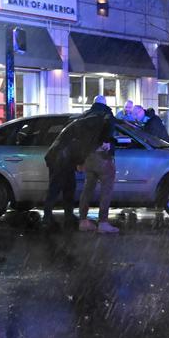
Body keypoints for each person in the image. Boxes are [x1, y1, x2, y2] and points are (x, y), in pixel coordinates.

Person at [43, 95, 115, 229]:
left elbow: (78, 143)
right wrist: (81, 161)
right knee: (56, 187)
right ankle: (47, 218)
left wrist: (79, 162)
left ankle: (68, 216)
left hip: (61, 156)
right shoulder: (100, 119)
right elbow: (83, 145)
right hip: (60, 157)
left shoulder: (84, 119)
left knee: (68, 187)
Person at [78, 97, 119, 234]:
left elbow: (79, 136)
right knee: (106, 190)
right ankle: (103, 222)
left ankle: (83, 221)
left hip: (88, 156)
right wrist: (107, 141)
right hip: (102, 156)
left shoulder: (86, 115)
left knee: (87, 189)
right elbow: (109, 130)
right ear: (105, 103)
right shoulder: (106, 114)